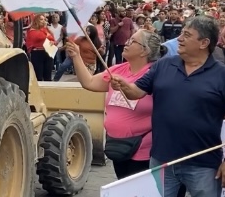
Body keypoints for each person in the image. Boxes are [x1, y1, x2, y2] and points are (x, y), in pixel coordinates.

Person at [112, 16, 225, 197]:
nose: (179, 39)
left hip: (204, 163)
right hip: (161, 159)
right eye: (181, 33)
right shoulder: (164, 65)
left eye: (186, 35)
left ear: (204, 43)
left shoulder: (224, 75)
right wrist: (123, 86)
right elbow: (137, 92)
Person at [67, 29, 162, 179]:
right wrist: (76, 56)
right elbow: (89, 82)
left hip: (142, 148)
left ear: (145, 51)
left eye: (133, 41)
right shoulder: (117, 69)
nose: (127, 43)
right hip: (117, 146)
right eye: (129, 40)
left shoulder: (154, 75)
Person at [24, 14, 56, 81]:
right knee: (38, 76)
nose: (43, 21)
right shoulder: (32, 30)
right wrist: (47, 35)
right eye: (41, 19)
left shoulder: (46, 29)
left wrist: (52, 41)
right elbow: (40, 37)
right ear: (36, 20)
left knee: (48, 76)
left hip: (48, 52)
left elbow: (52, 39)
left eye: (44, 19)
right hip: (37, 53)